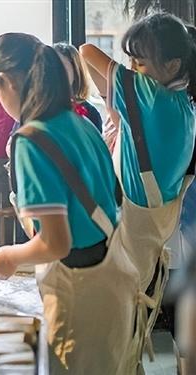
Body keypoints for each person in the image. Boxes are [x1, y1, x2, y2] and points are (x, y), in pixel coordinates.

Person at [0, 33, 141, 374]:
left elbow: (56, 243)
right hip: (112, 271)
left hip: (80, 285)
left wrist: (9, 256)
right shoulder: (80, 122)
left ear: (7, 81)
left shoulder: (31, 139)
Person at [80, 13, 196, 342]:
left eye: (140, 61)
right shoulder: (179, 102)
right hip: (149, 232)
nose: (132, 68)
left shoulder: (152, 98)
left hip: (133, 233)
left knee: (115, 333)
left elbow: (87, 50)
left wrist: (118, 93)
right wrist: (114, 104)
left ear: (172, 66)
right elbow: (109, 86)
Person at [52, 43, 103, 132]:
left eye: (62, 67)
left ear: (76, 71)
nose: (56, 72)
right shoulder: (40, 109)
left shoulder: (90, 113)